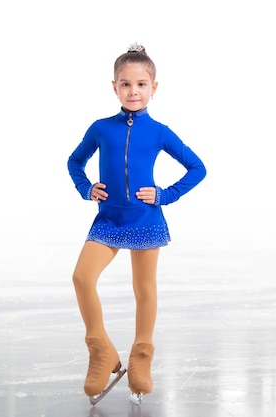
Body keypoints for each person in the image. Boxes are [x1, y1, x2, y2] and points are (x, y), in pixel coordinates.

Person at [67, 43, 207, 404]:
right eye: (126, 84)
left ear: (154, 88)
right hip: (109, 220)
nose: (133, 91)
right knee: (82, 277)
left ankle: (141, 355)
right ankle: (100, 350)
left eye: (141, 84)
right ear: (114, 87)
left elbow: (197, 168)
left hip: (146, 219)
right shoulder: (101, 128)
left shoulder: (159, 131)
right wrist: (86, 188)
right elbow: (74, 161)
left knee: (144, 288)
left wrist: (165, 195)